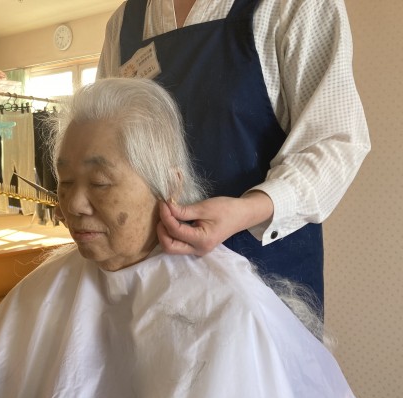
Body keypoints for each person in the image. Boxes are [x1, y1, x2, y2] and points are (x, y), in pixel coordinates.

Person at [0, 78, 369, 398]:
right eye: (64, 181)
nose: (74, 205)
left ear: (169, 185)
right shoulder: (44, 290)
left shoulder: (222, 310)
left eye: (100, 182)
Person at [97, 0, 371, 317]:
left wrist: (247, 210)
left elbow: (334, 141)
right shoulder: (124, 22)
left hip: (262, 286)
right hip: (150, 285)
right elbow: (103, 136)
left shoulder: (295, 5)